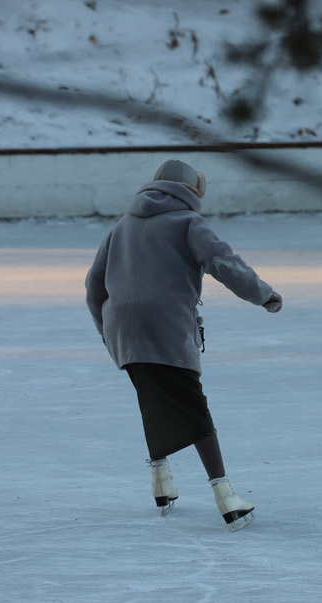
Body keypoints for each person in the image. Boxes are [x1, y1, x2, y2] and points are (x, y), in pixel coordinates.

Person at [85, 160, 283, 531]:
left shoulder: (121, 226)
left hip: (123, 332)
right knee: (193, 407)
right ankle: (227, 498)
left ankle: (162, 482)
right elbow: (224, 263)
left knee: (153, 398)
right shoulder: (189, 223)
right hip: (167, 328)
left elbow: (93, 286)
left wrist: (107, 332)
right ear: (194, 191)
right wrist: (264, 295)